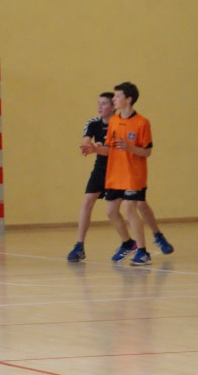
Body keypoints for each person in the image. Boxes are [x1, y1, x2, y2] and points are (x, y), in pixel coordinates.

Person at [68, 92, 174, 262]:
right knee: (90, 202)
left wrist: (105, 148)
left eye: (104, 103)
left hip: (123, 167)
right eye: (98, 103)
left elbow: (137, 149)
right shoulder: (94, 123)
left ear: (113, 106)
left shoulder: (126, 122)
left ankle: (157, 236)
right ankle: (81, 245)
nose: (99, 107)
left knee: (140, 205)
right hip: (103, 167)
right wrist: (91, 146)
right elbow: (86, 142)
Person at [103, 82, 155, 266]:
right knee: (110, 211)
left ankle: (143, 252)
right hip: (116, 174)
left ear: (129, 99)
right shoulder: (114, 121)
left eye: (117, 96)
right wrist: (93, 149)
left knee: (129, 209)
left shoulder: (142, 122)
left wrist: (130, 147)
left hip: (134, 175)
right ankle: (127, 243)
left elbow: (147, 151)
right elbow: (109, 148)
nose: (114, 99)